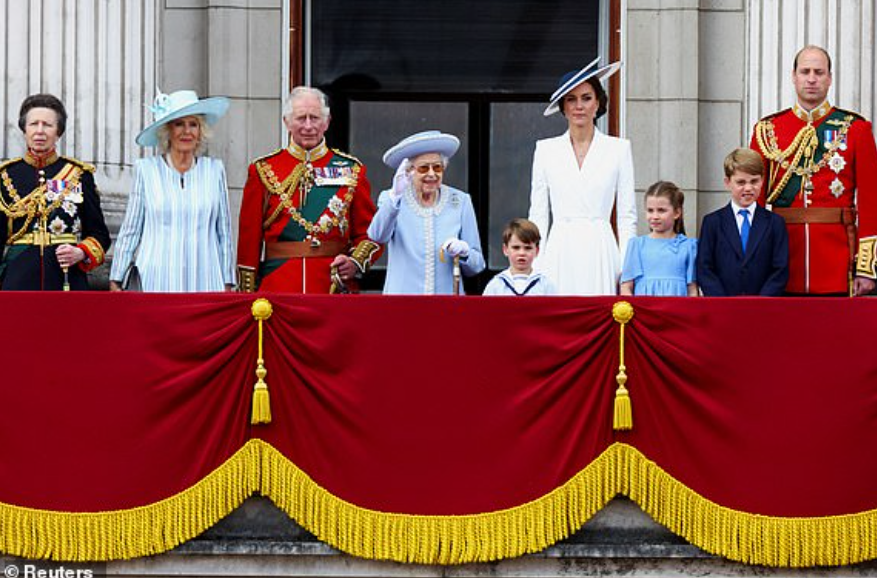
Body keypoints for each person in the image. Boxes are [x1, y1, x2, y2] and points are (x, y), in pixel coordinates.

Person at [749, 45, 877, 296]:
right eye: (805, 71)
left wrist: (866, 267)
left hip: (838, 259)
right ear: (793, 76)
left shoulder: (856, 129)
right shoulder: (767, 130)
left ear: (829, 78)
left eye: (819, 72)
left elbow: (871, 201)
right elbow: (756, 201)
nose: (811, 79)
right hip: (782, 258)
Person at [237, 86, 381, 293]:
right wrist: (247, 293)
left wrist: (355, 262)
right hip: (278, 284)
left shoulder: (352, 170)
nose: (308, 126)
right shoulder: (263, 169)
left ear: (327, 122)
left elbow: (370, 231)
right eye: (300, 118)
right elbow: (249, 239)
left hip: (332, 285)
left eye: (314, 118)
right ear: (286, 122)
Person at [528, 57, 637, 296]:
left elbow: (627, 216)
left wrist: (626, 268)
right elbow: (537, 214)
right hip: (559, 247)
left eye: (586, 98)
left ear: (598, 103)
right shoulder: (546, 150)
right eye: (571, 99)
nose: (579, 106)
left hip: (600, 247)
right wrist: (537, 263)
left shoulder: (619, 149)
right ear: (563, 107)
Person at [109, 90, 235, 292]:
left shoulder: (214, 171)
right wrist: (117, 277)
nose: (187, 131)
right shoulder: (146, 170)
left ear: (201, 131)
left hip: (206, 279)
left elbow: (224, 232)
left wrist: (228, 280)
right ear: (167, 131)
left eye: (193, 124)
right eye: (179, 124)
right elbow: (131, 229)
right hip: (156, 280)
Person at [0, 94, 110, 291]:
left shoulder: (78, 174)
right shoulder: (6, 175)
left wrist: (81, 252)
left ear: (58, 132)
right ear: (24, 130)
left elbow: (99, 234)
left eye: (47, 125)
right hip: (18, 278)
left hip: (67, 278)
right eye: (34, 124)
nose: (40, 131)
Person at [367, 130, 485, 294]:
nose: (432, 174)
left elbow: (477, 265)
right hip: (402, 303)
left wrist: (464, 253)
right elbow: (377, 236)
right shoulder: (391, 198)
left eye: (437, 167)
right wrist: (395, 197)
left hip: (445, 304)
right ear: (409, 171)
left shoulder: (460, 201)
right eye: (423, 168)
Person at [696, 148, 789, 296]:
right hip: (723, 307)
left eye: (754, 181)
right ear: (727, 182)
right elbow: (704, 268)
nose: (748, 188)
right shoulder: (712, 222)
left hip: (763, 308)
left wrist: (762, 302)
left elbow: (780, 268)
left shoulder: (775, 223)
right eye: (741, 182)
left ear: (762, 180)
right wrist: (722, 302)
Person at [620, 181, 697, 296]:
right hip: (644, 311)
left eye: (661, 210)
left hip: (677, 311)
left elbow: (692, 289)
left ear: (677, 213)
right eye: (650, 210)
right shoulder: (636, 245)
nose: (655, 216)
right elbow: (626, 287)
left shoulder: (689, 246)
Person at [483, 218, 555, 296]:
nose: (522, 253)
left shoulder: (546, 286)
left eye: (528, 248)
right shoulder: (495, 286)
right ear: (505, 249)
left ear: (537, 251)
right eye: (516, 248)